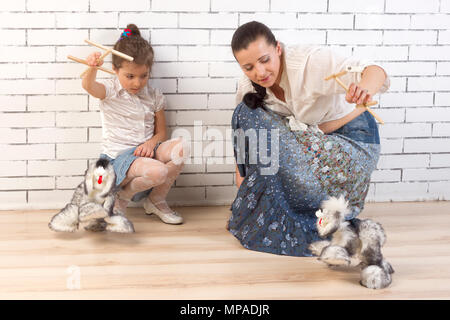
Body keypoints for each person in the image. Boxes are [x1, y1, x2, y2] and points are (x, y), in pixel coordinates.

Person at [228, 21, 389, 256]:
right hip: (315, 141)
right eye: (249, 67)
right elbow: (244, 137)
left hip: (352, 139)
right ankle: (303, 213)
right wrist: (243, 182)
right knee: (247, 114)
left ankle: (323, 222)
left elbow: (375, 70)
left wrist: (364, 89)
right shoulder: (249, 86)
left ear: (278, 49)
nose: (259, 73)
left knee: (271, 134)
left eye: (265, 60)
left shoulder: (310, 62)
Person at [82, 24, 190, 228]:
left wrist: (152, 143)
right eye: (130, 76)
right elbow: (89, 86)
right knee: (159, 172)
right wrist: (92, 69)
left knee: (182, 147)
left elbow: (161, 133)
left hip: (145, 153)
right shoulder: (111, 90)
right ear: (115, 70)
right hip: (118, 158)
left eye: (144, 75)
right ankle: (121, 199)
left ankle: (155, 201)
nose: (137, 83)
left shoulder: (154, 95)